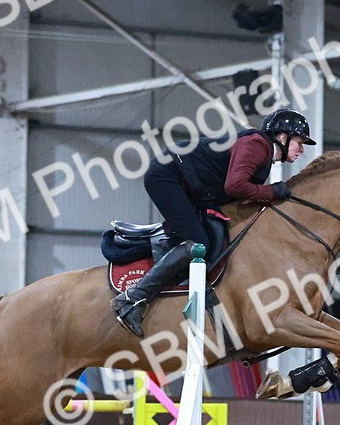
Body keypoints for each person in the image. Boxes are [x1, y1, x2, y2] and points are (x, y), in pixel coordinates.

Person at [111, 108, 315, 337]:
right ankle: (131, 299)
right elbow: (234, 186)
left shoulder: (264, 154)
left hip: (191, 185)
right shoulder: (258, 145)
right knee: (198, 243)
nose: (302, 149)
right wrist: (273, 191)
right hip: (168, 176)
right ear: (282, 137)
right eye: (300, 142)